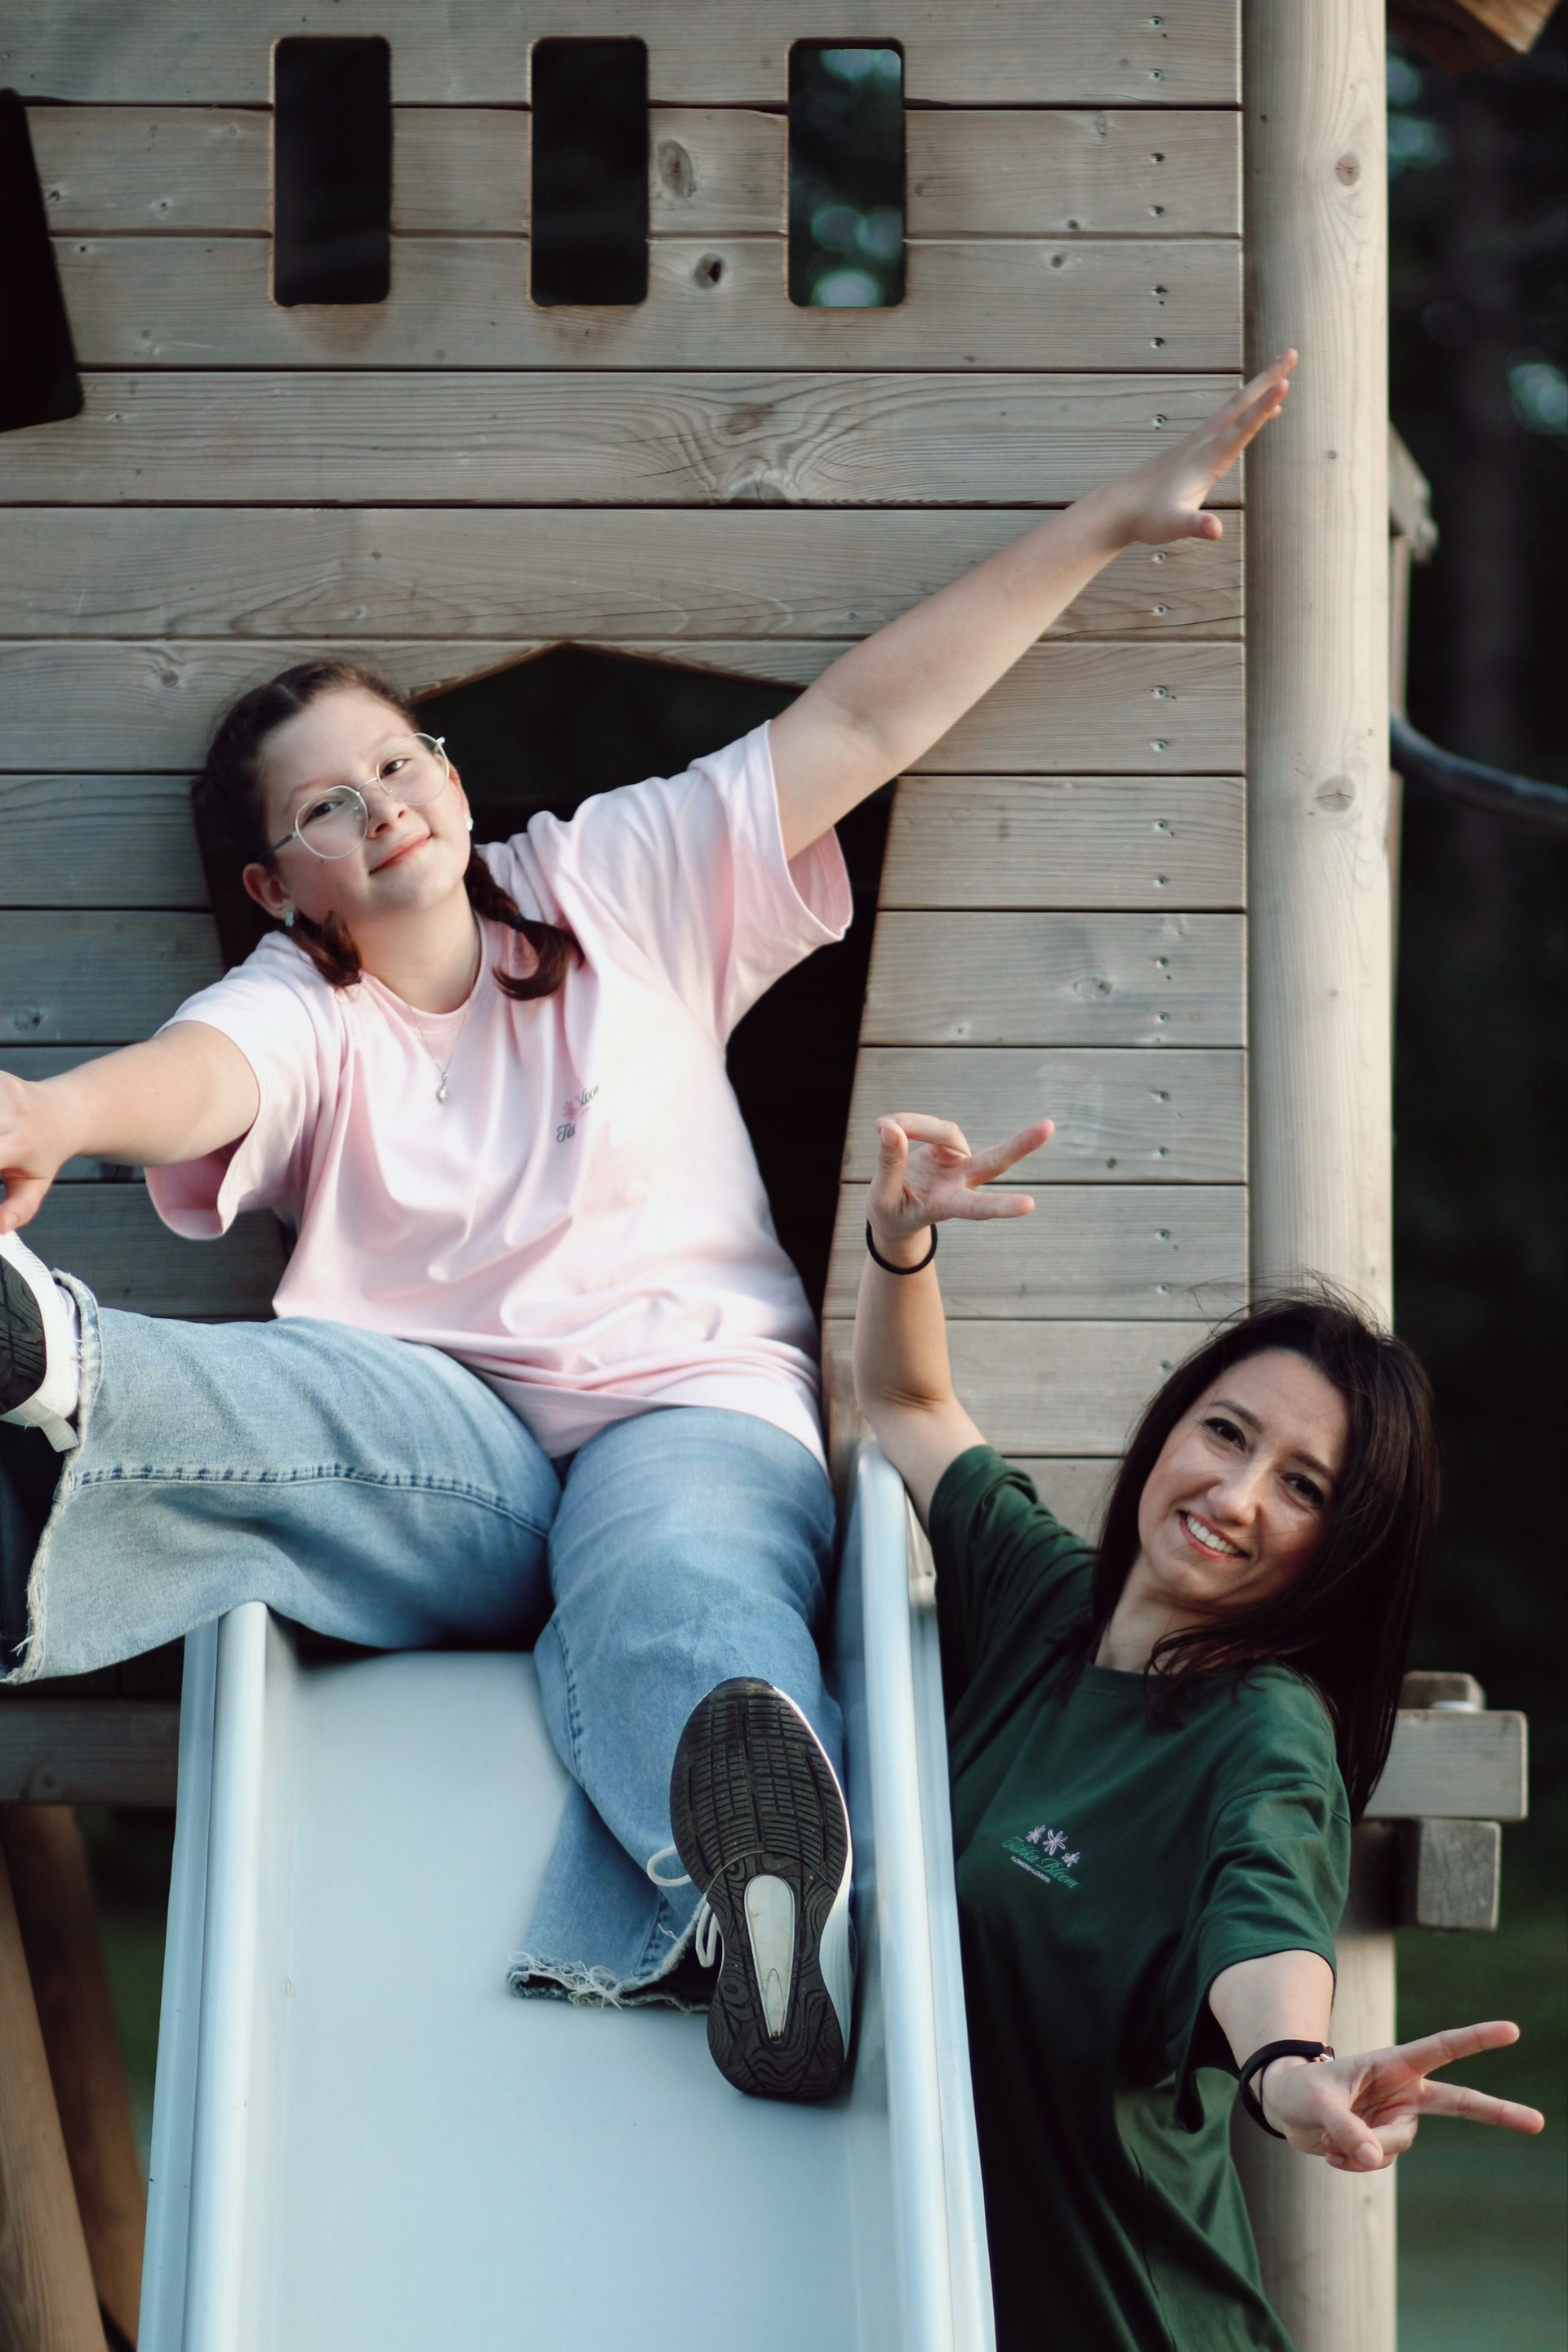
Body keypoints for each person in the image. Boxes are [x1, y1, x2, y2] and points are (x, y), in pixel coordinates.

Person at [3, 357, 1300, 2108]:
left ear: (451, 771)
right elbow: (200, 1076)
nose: (378, 805)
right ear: (276, 884)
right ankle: (66, 1368)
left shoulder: (611, 879)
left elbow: (859, 727)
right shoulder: (299, 1007)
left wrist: (1103, 526)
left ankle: (766, 1904)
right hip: (451, 1466)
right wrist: (55, 1117)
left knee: (688, 1577)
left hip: (689, 1411)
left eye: (395, 758)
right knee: (308, 1386)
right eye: (324, 806)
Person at [851, 1111, 1545, 2345]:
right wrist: (901, 1242)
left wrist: (1293, 2070)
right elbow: (911, 1401)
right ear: (1171, 1424)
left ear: (1343, 1551)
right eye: (1227, 1432)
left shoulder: (1265, 1737)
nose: (1234, 1496)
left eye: (1303, 1487)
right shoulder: (1042, 1596)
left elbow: (1266, 1919)